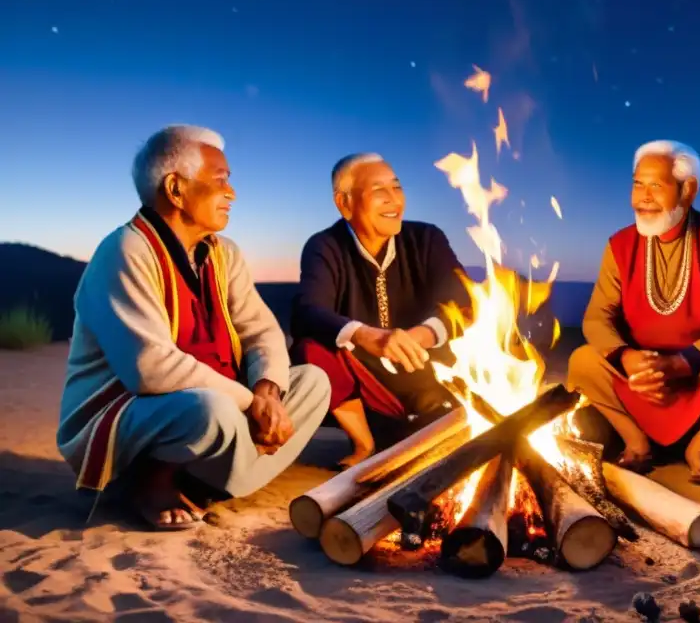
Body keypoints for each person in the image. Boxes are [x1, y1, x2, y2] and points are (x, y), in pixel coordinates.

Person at [56, 125, 330, 531]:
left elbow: (261, 331)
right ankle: (148, 481)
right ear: (175, 189)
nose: (232, 193)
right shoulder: (124, 250)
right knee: (210, 409)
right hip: (127, 413)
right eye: (221, 181)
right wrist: (248, 402)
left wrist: (266, 391)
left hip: (221, 406)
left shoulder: (224, 254)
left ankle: (207, 482)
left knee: (313, 382)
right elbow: (150, 368)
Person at [567, 140, 700, 484]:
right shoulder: (620, 244)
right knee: (583, 361)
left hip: (695, 375)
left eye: (656, 185)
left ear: (688, 190)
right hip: (637, 377)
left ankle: (699, 450)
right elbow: (597, 317)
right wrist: (627, 358)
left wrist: (681, 363)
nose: (643, 196)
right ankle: (636, 443)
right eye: (637, 184)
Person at [290, 153, 469, 469]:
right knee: (310, 347)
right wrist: (366, 335)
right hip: (367, 389)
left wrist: (423, 335)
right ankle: (365, 443)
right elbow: (307, 310)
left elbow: (462, 300)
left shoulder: (427, 239)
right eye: (378, 190)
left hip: (430, 377)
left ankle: (423, 428)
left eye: (397, 188)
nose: (393, 200)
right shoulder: (325, 246)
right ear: (344, 204)